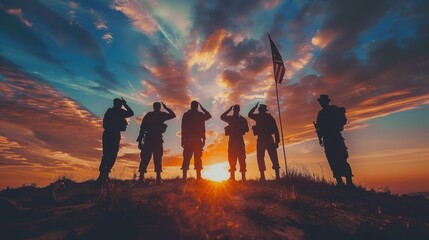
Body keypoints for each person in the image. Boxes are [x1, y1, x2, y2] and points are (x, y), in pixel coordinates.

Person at [314, 94, 354, 188]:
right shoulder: (320, 113)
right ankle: (340, 182)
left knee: (342, 158)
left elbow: (342, 121)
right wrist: (320, 137)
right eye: (320, 102)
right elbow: (319, 128)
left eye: (322, 101)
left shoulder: (333, 109)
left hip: (335, 136)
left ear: (327, 101)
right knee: (332, 160)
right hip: (327, 139)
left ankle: (349, 182)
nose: (321, 103)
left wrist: (336, 125)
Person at [136, 102, 175, 184]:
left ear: (153, 107)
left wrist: (140, 141)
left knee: (147, 158)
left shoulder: (150, 115)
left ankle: (143, 178)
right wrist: (166, 108)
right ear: (159, 107)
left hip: (150, 138)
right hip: (155, 139)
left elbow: (142, 128)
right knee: (155, 158)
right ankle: (156, 178)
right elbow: (173, 115)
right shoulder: (161, 115)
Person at [97, 98, 134, 184]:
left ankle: (104, 175)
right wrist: (126, 105)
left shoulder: (112, 111)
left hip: (110, 134)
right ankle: (102, 176)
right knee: (109, 154)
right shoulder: (116, 112)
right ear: (118, 104)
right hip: (112, 134)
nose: (121, 105)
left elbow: (131, 114)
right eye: (120, 104)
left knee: (110, 154)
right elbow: (131, 113)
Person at [248, 102, 280, 181]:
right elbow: (250, 115)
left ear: (262, 110)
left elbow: (276, 130)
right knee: (261, 157)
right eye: (260, 110)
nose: (260, 111)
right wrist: (277, 141)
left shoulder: (262, 117)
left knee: (272, 157)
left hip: (266, 139)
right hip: (263, 139)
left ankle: (276, 176)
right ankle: (263, 176)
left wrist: (277, 141)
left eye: (260, 110)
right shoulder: (261, 117)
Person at [181, 101, 211, 181]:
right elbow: (183, 127)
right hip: (191, 140)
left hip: (195, 139)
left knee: (196, 158)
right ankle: (186, 177)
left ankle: (197, 177)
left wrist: (183, 139)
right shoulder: (189, 115)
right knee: (188, 158)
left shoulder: (198, 115)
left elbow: (209, 116)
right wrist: (183, 139)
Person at [221, 105, 249, 182]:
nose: (236, 110)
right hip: (233, 140)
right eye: (235, 109)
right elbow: (222, 117)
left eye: (236, 109)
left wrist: (238, 129)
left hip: (238, 140)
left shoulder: (241, 119)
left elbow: (247, 129)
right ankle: (233, 177)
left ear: (238, 110)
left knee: (241, 159)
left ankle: (242, 178)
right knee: (232, 159)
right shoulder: (233, 118)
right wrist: (229, 109)